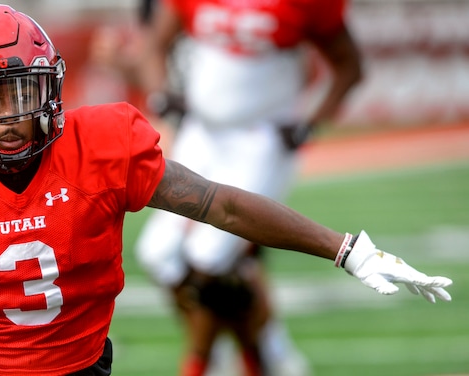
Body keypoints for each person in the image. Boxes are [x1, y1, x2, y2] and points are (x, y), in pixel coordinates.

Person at [0, 4, 450, 376]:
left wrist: (347, 249)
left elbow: (222, 203)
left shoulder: (101, 148)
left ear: (51, 90)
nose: (9, 117)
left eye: (21, 94)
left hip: (78, 374)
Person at [130, 0, 364, 374]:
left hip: (261, 139)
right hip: (201, 133)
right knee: (159, 255)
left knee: (211, 256)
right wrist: (161, 95)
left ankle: (203, 362)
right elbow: (153, 45)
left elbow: (349, 66)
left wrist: (311, 120)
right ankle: (264, 353)